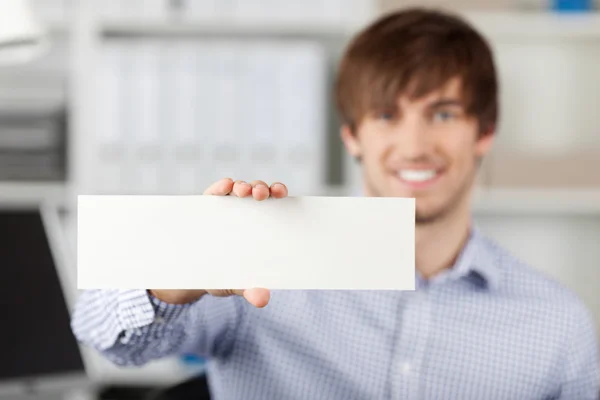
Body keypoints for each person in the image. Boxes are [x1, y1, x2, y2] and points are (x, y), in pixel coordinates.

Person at [71, 8, 600, 400]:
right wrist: (172, 279)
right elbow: (102, 337)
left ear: (483, 133)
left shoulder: (557, 325)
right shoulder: (259, 267)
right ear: (352, 136)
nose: (415, 146)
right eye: (387, 116)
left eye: (442, 115)